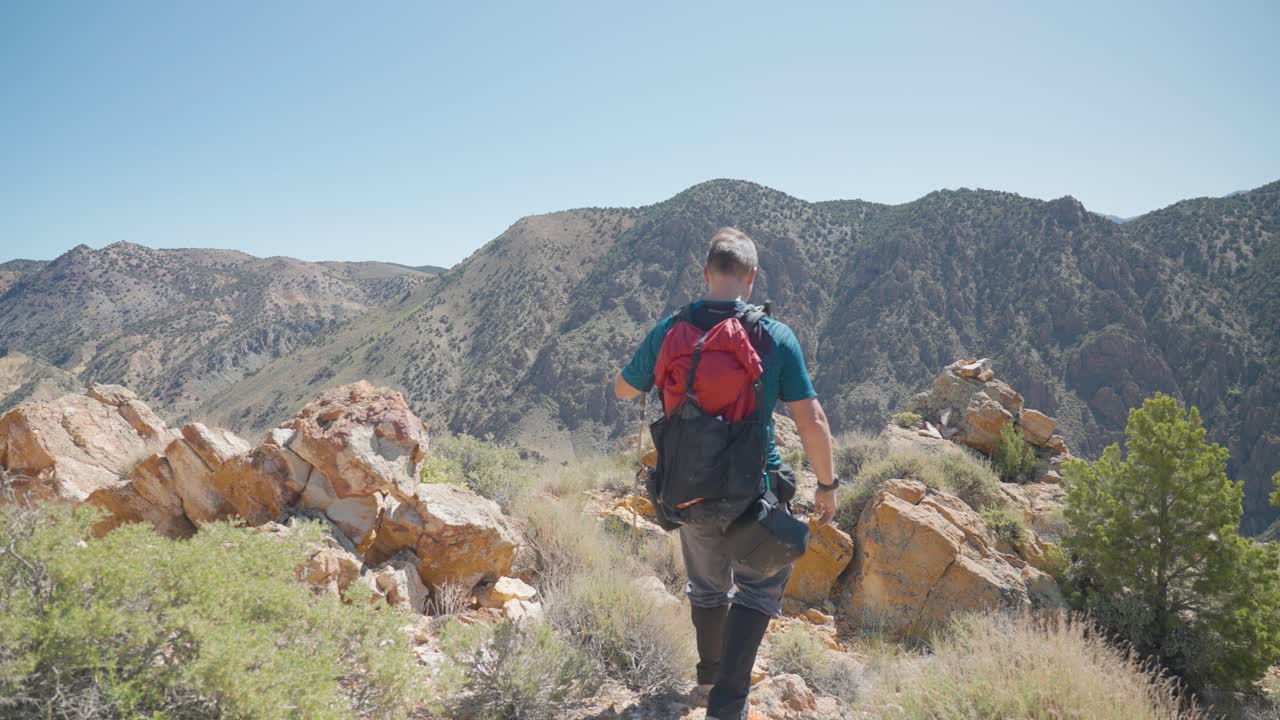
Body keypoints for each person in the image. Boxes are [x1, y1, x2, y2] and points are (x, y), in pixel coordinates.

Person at [613, 227, 838, 720]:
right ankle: (727, 705)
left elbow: (623, 392)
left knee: (707, 588)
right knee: (758, 590)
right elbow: (813, 421)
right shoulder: (775, 337)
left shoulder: (672, 328)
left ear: (706, 274)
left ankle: (709, 676)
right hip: (753, 491)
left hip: (688, 489)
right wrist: (826, 485)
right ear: (751, 279)